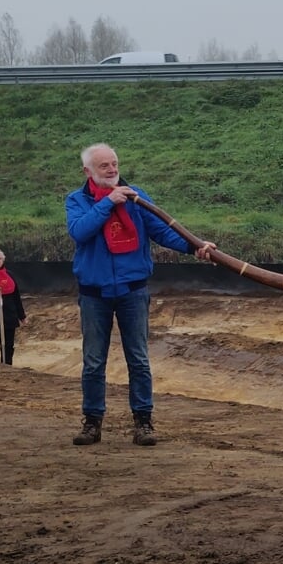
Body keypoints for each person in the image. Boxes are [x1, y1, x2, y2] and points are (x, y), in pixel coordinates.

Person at [65, 143, 216, 447]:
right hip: (94, 294)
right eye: (104, 166)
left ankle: (143, 422)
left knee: (139, 359)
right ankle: (92, 423)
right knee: (93, 361)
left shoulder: (137, 196)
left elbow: (163, 231)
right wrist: (108, 203)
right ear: (88, 171)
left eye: (115, 164)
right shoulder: (76, 200)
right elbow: (79, 232)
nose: (112, 170)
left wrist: (194, 247)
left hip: (133, 291)